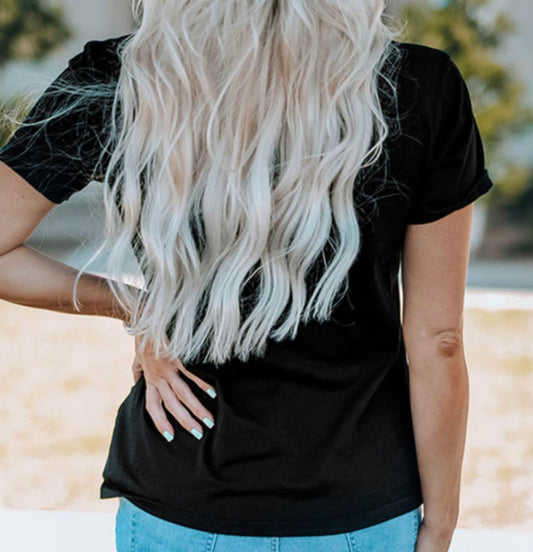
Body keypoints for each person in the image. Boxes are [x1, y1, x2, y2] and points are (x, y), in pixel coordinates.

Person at [0, 1, 494, 551]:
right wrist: (441, 522)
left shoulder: (126, 75)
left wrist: (135, 307)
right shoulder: (421, 85)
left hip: (178, 502)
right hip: (359, 507)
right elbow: (438, 340)